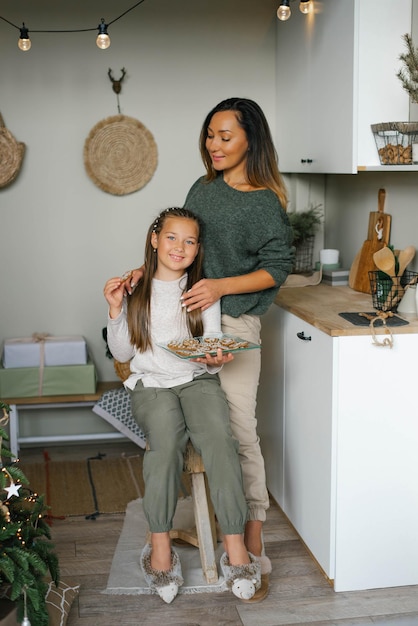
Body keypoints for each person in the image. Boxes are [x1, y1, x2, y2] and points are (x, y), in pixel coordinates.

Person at [103, 207, 261, 604]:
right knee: (166, 445)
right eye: (172, 237)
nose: (180, 247)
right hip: (151, 385)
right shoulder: (134, 289)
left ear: (197, 249)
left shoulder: (200, 290)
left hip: (196, 380)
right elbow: (121, 350)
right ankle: (159, 549)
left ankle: (235, 549)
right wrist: (115, 310)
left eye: (190, 241)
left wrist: (214, 356)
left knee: (221, 442)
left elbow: (210, 341)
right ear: (155, 239)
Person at [181, 97, 295, 601]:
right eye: (210, 135)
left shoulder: (264, 200)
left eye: (225, 136)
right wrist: (150, 272)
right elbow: (181, 248)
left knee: (239, 430)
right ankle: (212, 522)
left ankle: (251, 534)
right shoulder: (201, 189)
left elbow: (277, 268)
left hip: (236, 324)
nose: (215, 145)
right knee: (196, 430)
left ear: (251, 138)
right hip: (189, 322)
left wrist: (221, 286)